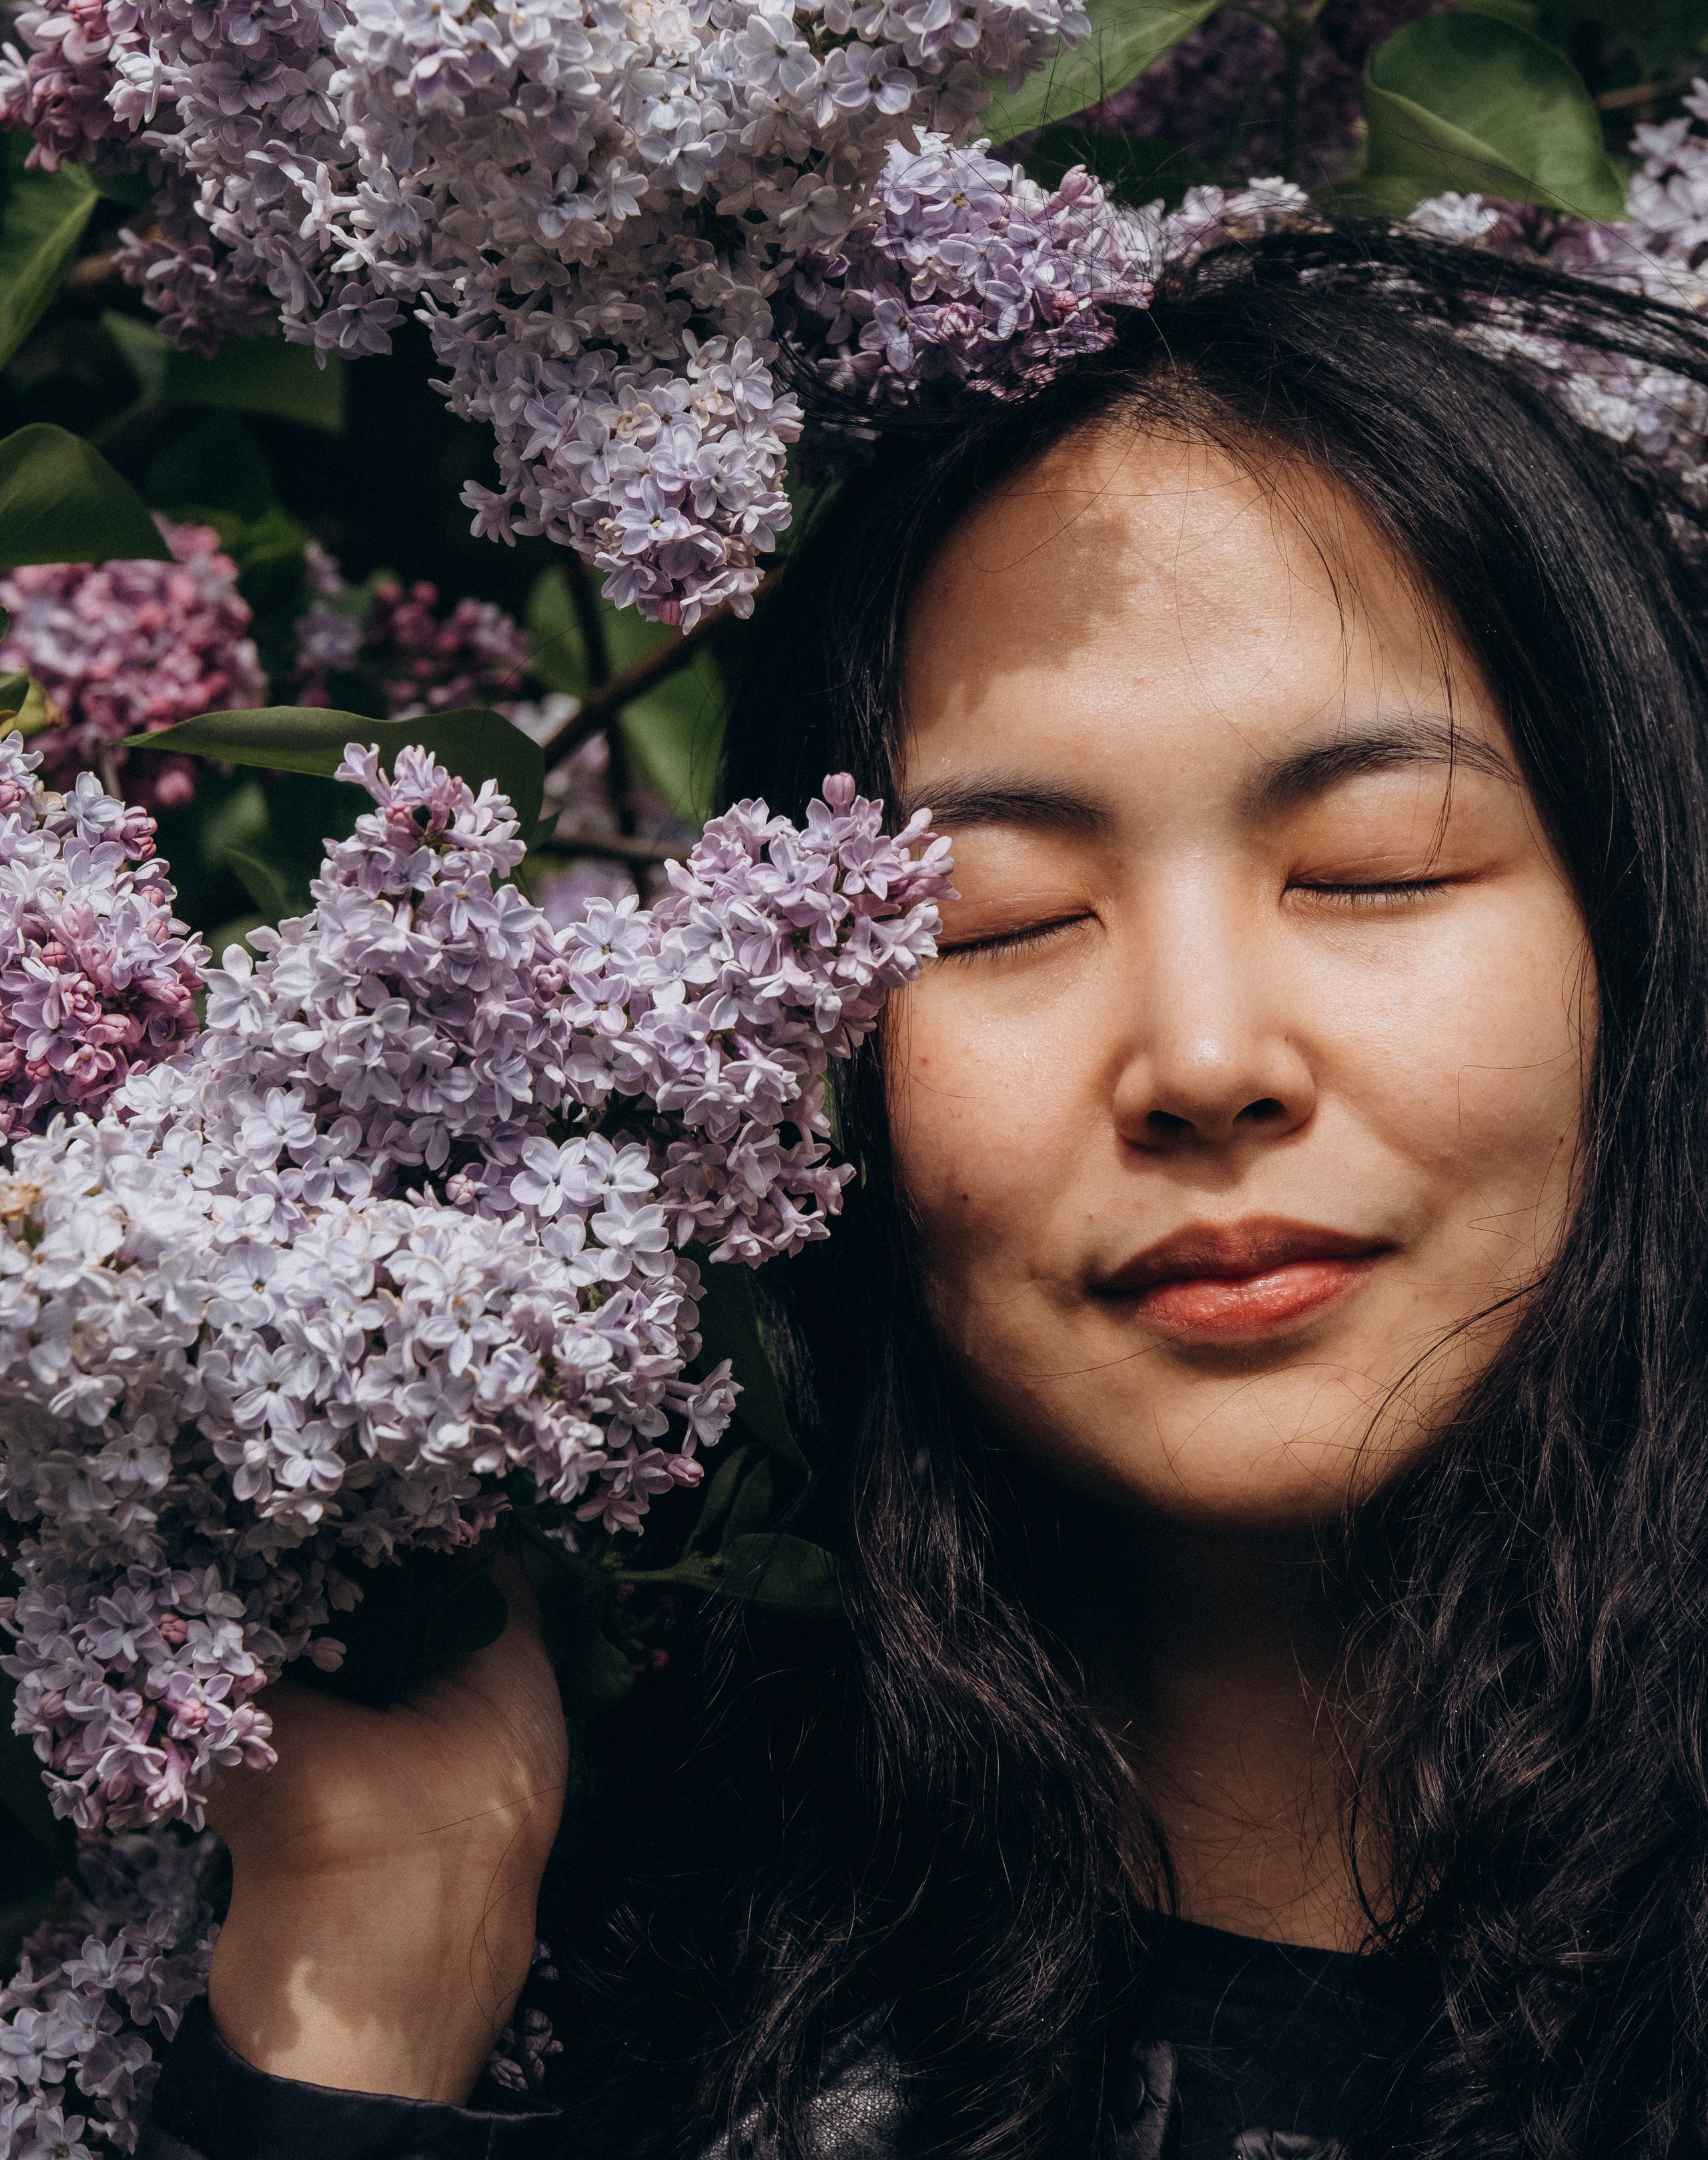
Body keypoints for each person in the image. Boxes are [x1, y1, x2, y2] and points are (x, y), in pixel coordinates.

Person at [138, 228, 1708, 2160]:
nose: (1207, 1062)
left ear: (1644, 937)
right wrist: (380, 1965)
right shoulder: (686, 2035)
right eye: (1005, 920)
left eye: (1373, 868)